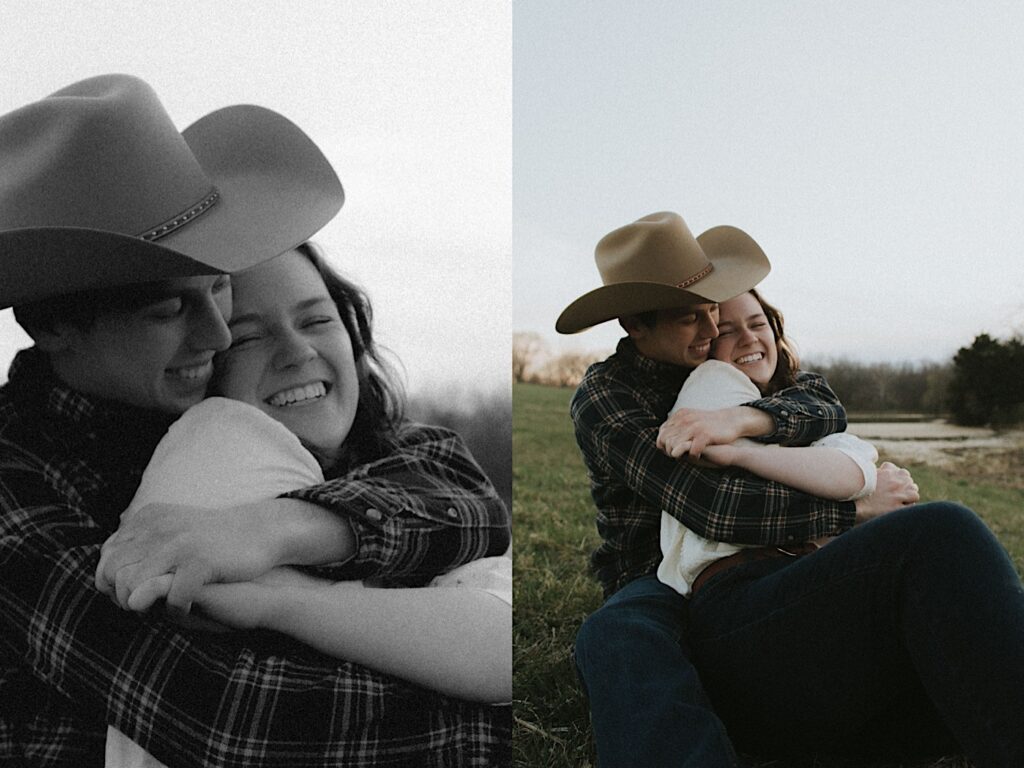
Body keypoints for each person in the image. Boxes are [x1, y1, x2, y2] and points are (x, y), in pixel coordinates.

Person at [0, 74, 510, 767]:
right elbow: (226, 716)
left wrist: (281, 528)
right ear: (53, 323)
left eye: (218, 288)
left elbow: (463, 497)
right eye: (169, 309)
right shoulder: (18, 478)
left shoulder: (239, 414)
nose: (215, 337)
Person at [561, 212, 1024, 767]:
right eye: (693, 320)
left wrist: (747, 422)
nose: (713, 332)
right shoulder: (609, 397)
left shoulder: (739, 365)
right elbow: (712, 505)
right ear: (636, 324)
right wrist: (854, 509)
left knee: (941, 578)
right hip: (655, 571)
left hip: (770, 558)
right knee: (619, 632)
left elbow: (821, 404)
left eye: (716, 311)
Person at [99, 244, 512, 767]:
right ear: (206, 368)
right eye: (248, 336)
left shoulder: (420, 456)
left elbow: (500, 633)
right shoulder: (211, 450)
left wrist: (277, 556)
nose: (296, 351)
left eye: (317, 319)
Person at [658, 288, 880, 597]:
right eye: (727, 331)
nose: (749, 338)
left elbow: (855, 471)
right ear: (706, 345)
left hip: (794, 569)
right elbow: (853, 479)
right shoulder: (712, 382)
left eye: (758, 324)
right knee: (941, 525)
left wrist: (738, 452)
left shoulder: (798, 397)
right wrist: (862, 504)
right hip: (735, 582)